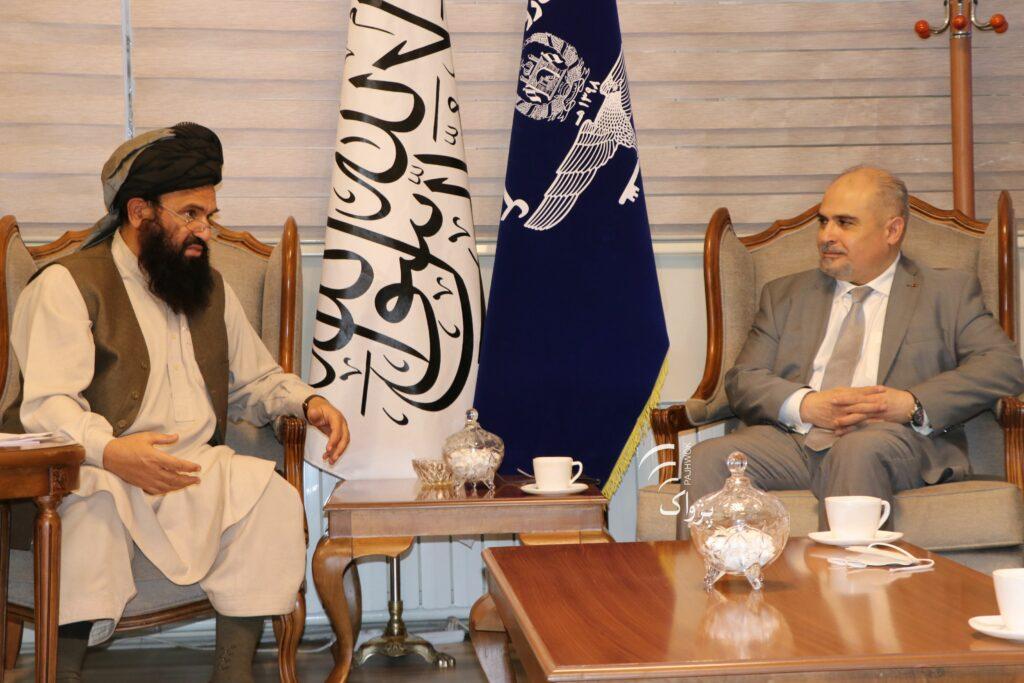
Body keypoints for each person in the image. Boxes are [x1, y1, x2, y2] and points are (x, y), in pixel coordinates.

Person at [3, 122, 350, 682]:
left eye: (208, 215)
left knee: (270, 498)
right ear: (139, 211)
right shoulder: (67, 285)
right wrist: (114, 454)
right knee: (88, 506)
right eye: (190, 214)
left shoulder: (206, 286)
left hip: (190, 468)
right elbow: (48, 406)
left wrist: (306, 401)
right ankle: (61, 674)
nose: (205, 230)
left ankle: (232, 674)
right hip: (100, 467)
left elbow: (255, 379)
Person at [685, 166, 1024, 534]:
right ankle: (709, 572)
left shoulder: (947, 292)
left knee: (856, 450)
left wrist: (911, 404)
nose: (826, 236)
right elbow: (744, 379)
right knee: (707, 457)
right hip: (794, 442)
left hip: (894, 441)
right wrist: (806, 405)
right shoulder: (784, 295)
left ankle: (849, 574)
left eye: (845, 223)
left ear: (892, 230)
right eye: (823, 221)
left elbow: (1001, 366)